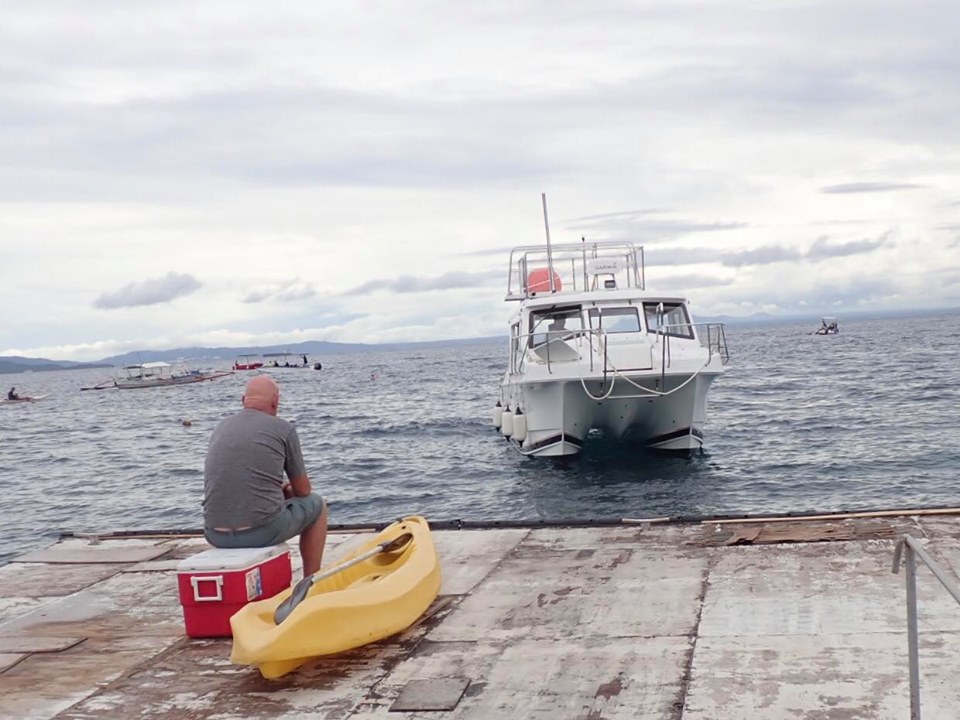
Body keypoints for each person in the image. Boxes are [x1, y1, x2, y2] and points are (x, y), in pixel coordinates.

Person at [203, 375, 328, 575]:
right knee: (317, 504)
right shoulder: (283, 429)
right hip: (261, 532)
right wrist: (288, 489)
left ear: (243, 401)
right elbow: (303, 490)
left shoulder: (221, 427)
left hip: (214, 533)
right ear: (275, 401)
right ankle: (310, 580)